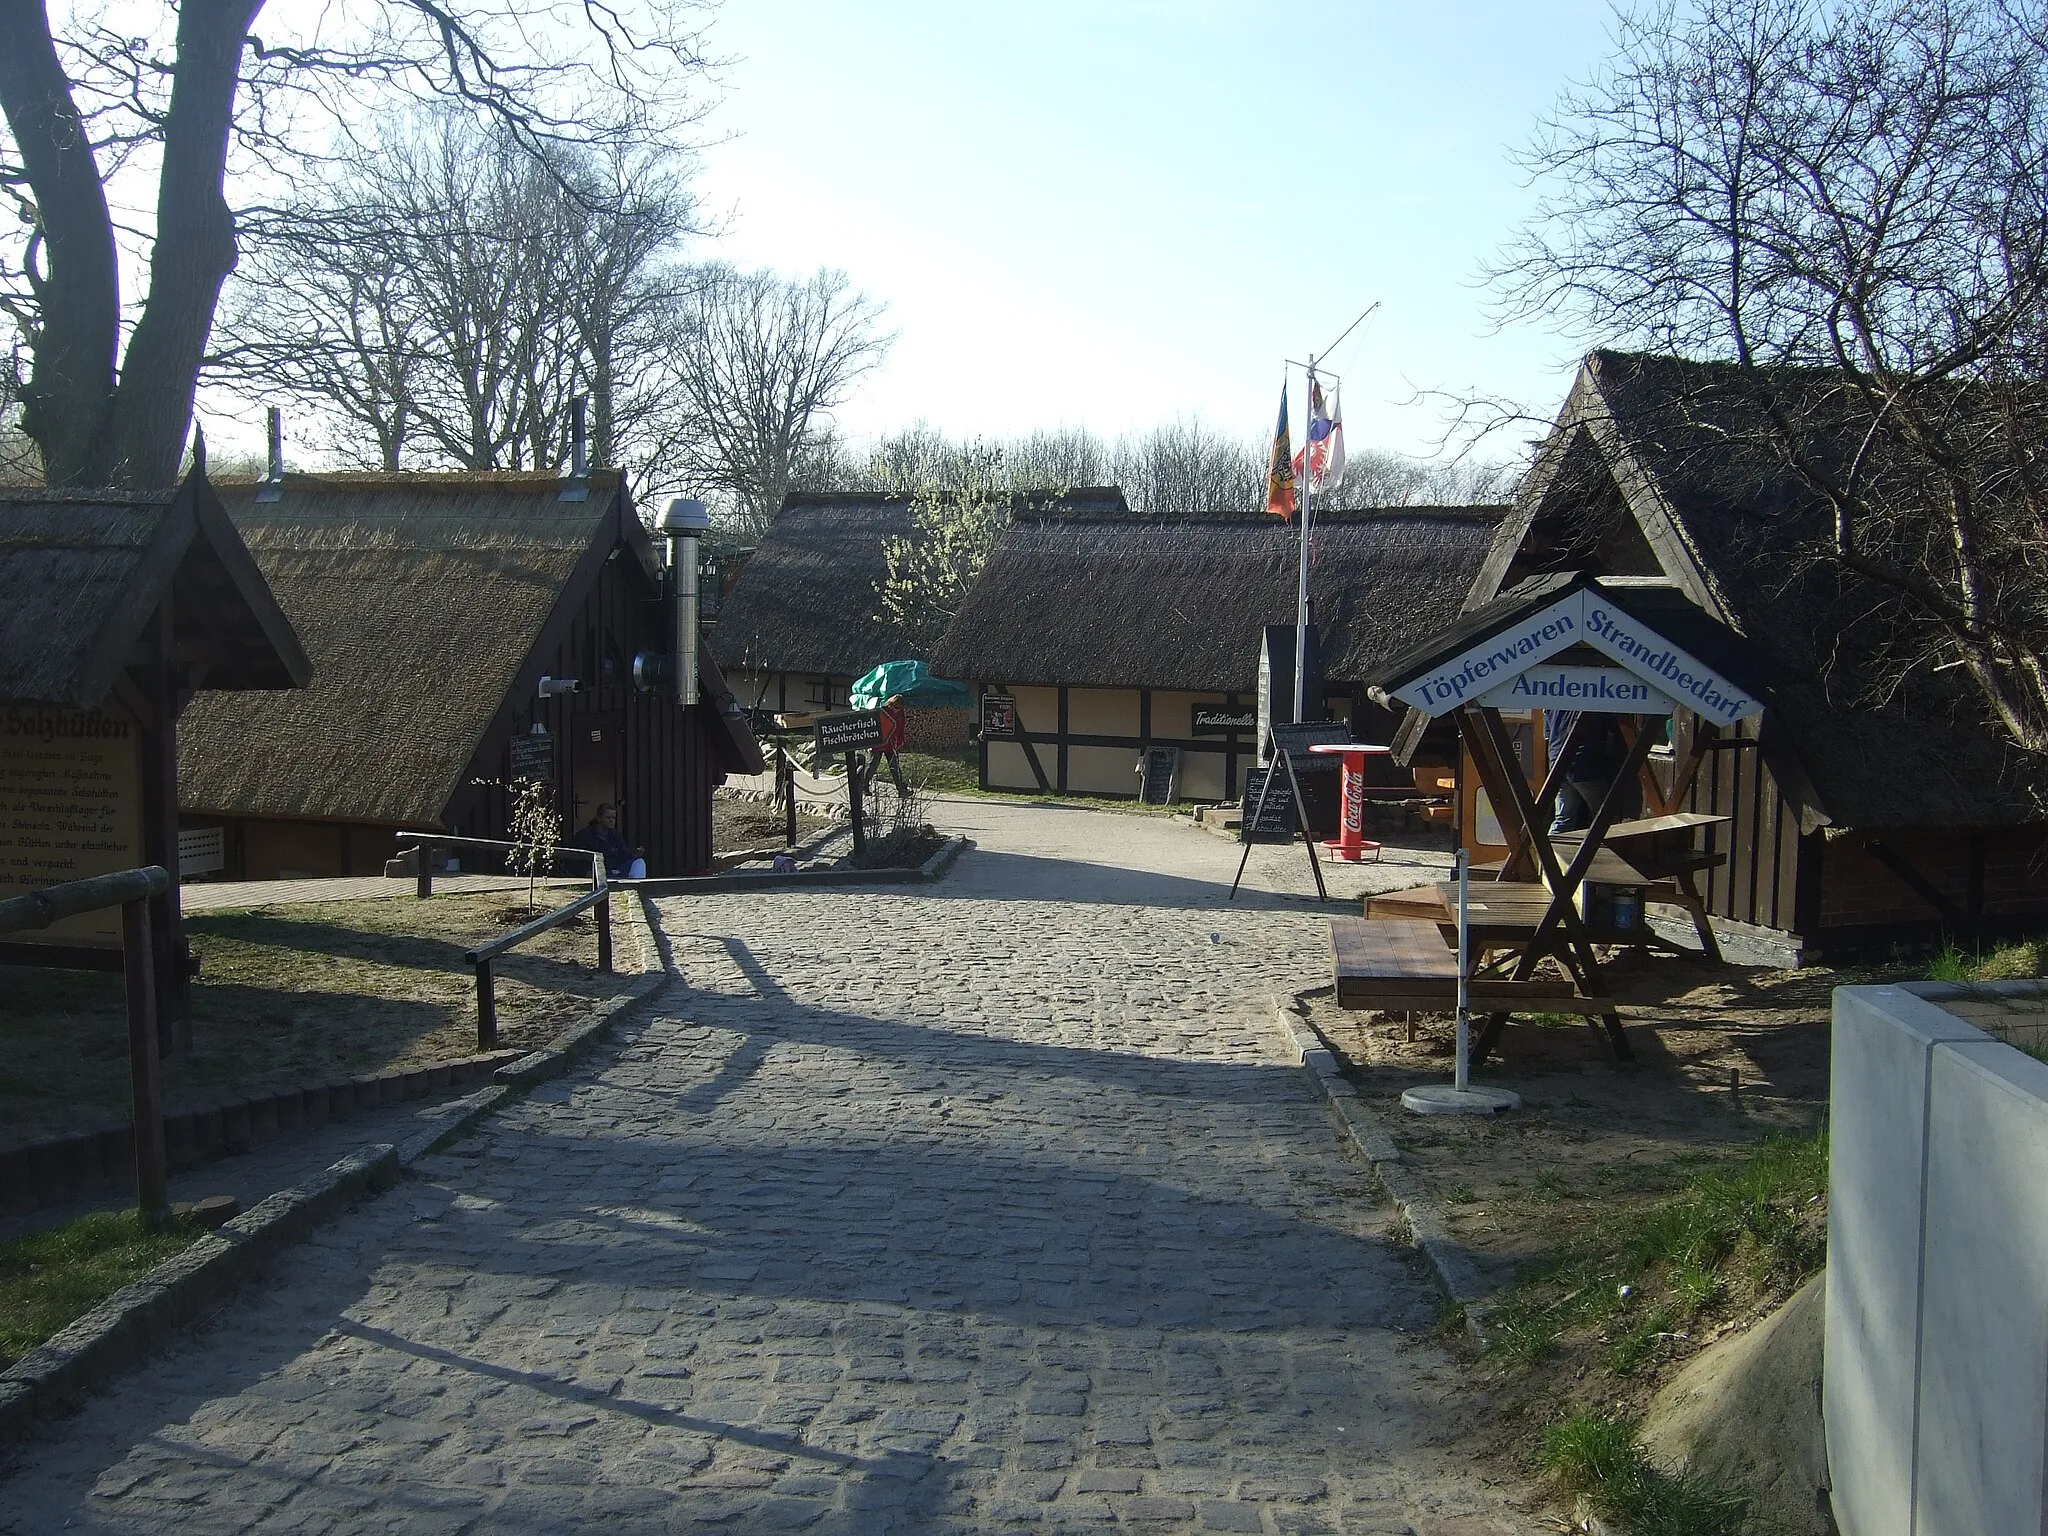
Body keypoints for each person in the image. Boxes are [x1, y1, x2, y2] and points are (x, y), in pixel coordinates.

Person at [571, 802, 646, 881]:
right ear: (599, 818)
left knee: (639, 862)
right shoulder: (585, 836)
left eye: (613, 818)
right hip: (596, 872)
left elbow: (623, 854)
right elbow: (573, 860)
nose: (611, 821)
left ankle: (636, 888)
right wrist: (585, 872)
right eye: (608, 817)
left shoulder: (615, 835)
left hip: (616, 869)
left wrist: (634, 854)